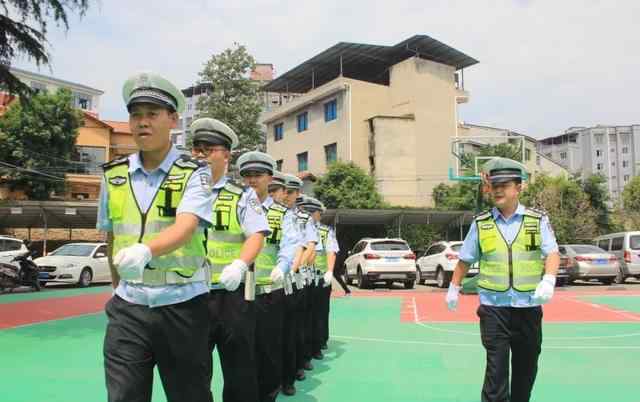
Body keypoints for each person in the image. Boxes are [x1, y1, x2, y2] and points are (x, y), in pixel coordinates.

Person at [98, 72, 214, 402]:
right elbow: (111, 238)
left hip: (182, 305)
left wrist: (146, 251)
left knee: (189, 395)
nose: (142, 123)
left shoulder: (195, 172)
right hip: (128, 308)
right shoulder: (113, 175)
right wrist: (118, 288)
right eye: (136, 114)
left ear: (173, 120)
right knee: (123, 396)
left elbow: (186, 225)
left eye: (152, 114)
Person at [445, 157, 560, 402]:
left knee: (526, 371)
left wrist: (549, 279)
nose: (498, 189)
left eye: (504, 184)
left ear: (519, 188)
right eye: (494, 184)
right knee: (496, 374)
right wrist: (453, 287)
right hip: (493, 309)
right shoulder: (482, 223)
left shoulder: (536, 220)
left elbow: (552, 253)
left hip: (528, 307)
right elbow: (465, 259)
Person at [189, 117, 270, 402]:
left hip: (230, 296)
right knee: (192, 372)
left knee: (239, 370)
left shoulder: (242, 196)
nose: (200, 155)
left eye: (208, 149)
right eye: (196, 148)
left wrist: (239, 264)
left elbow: (256, 235)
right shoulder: (178, 193)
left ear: (226, 154)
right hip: (189, 296)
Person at [236, 152, 300, 402]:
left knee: (268, 352)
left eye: (258, 175)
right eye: (247, 175)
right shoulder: (233, 206)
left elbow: (290, 246)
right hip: (236, 293)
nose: (252, 180)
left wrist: (282, 267)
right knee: (239, 356)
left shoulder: (282, 215)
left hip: (268, 292)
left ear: (269, 178)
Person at [298, 197, 339, 358]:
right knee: (305, 314)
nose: (307, 214)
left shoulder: (325, 231)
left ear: (318, 214)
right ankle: (307, 347)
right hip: (301, 278)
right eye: (304, 210)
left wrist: (329, 271)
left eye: (311, 212)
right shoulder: (298, 226)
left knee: (320, 312)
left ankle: (319, 342)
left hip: (320, 277)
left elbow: (331, 251)